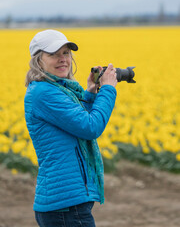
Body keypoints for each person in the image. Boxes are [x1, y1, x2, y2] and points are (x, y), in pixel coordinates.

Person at [24, 29, 117, 227]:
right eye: (53, 54)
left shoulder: (55, 89)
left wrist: (91, 94)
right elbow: (90, 127)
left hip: (67, 203)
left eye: (66, 53)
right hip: (65, 207)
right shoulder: (44, 93)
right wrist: (108, 89)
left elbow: (76, 124)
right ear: (38, 60)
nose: (62, 59)